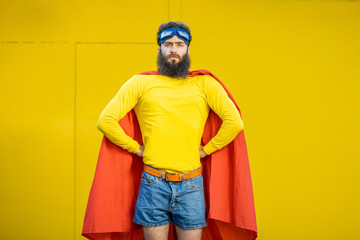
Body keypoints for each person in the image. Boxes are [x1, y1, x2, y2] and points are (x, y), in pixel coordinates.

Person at [82, 21, 257, 240]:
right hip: (153, 182)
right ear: (160, 49)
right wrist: (135, 149)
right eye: (168, 44)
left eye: (180, 44)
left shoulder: (205, 85)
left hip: (191, 184)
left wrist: (207, 150)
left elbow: (234, 122)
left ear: (188, 49)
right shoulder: (140, 83)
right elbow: (105, 121)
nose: (174, 49)